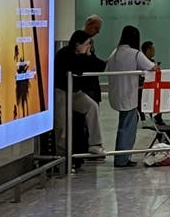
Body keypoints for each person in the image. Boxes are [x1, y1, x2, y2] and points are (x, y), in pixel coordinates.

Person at [106, 25, 158, 167]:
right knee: (127, 128)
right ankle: (122, 159)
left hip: (116, 94)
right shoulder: (135, 53)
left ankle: (121, 157)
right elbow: (152, 67)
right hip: (129, 94)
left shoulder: (115, 52)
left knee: (124, 124)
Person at [54, 30, 106, 156]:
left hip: (74, 92)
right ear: (77, 44)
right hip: (60, 92)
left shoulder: (84, 55)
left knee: (92, 107)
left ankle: (95, 143)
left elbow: (100, 66)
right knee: (62, 126)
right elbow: (78, 68)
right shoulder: (65, 54)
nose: (89, 47)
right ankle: (62, 154)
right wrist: (84, 55)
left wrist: (89, 54)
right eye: (87, 44)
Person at [81, 14, 104, 103]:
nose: (98, 32)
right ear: (89, 25)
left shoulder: (89, 40)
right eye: (96, 28)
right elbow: (88, 61)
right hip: (87, 85)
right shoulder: (83, 40)